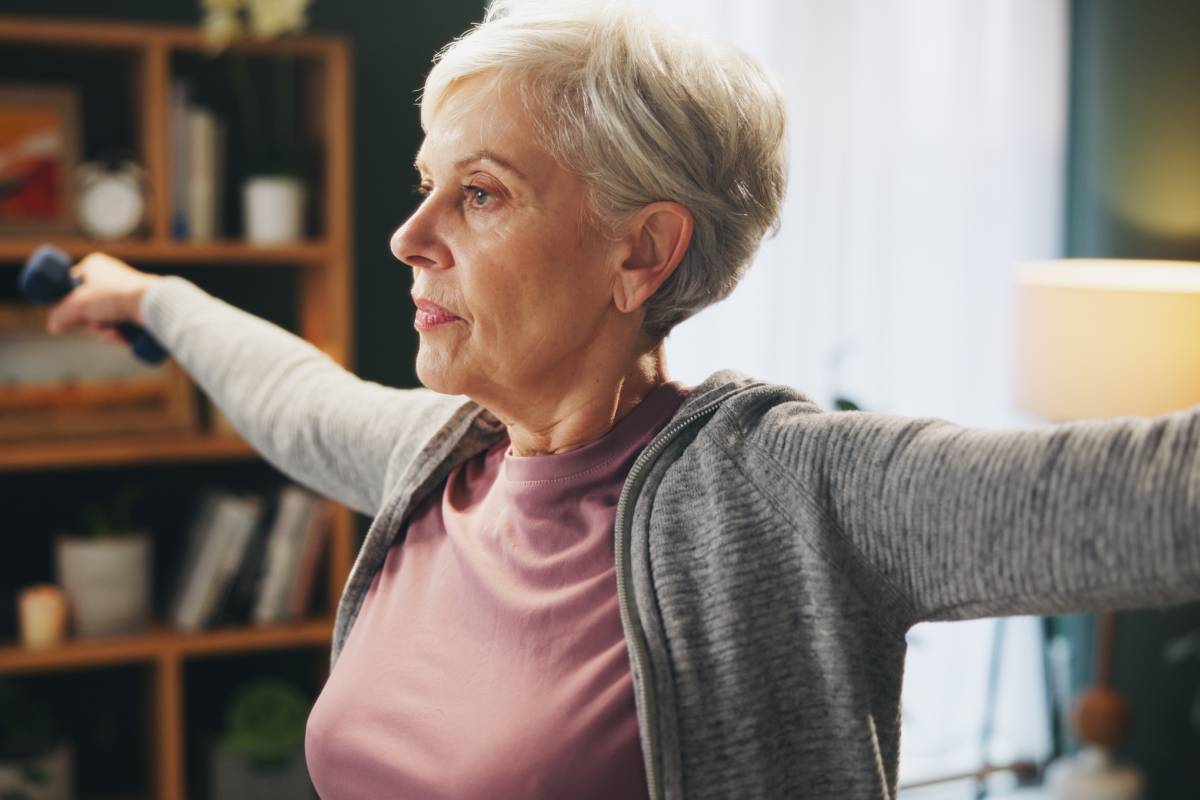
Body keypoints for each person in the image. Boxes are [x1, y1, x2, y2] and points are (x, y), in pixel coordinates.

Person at [43, 1, 1200, 798]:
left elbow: (1154, 494)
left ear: (640, 253)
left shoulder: (793, 493)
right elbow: (297, 398)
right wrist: (150, 297)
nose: (408, 237)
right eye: (423, 187)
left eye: (481, 194)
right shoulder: (437, 458)